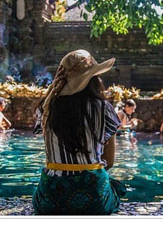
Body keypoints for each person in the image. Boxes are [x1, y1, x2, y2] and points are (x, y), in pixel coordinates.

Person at [32, 49, 126, 215]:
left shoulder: (46, 107)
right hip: (93, 198)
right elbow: (109, 162)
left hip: (49, 198)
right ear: (93, 78)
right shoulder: (103, 108)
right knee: (117, 188)